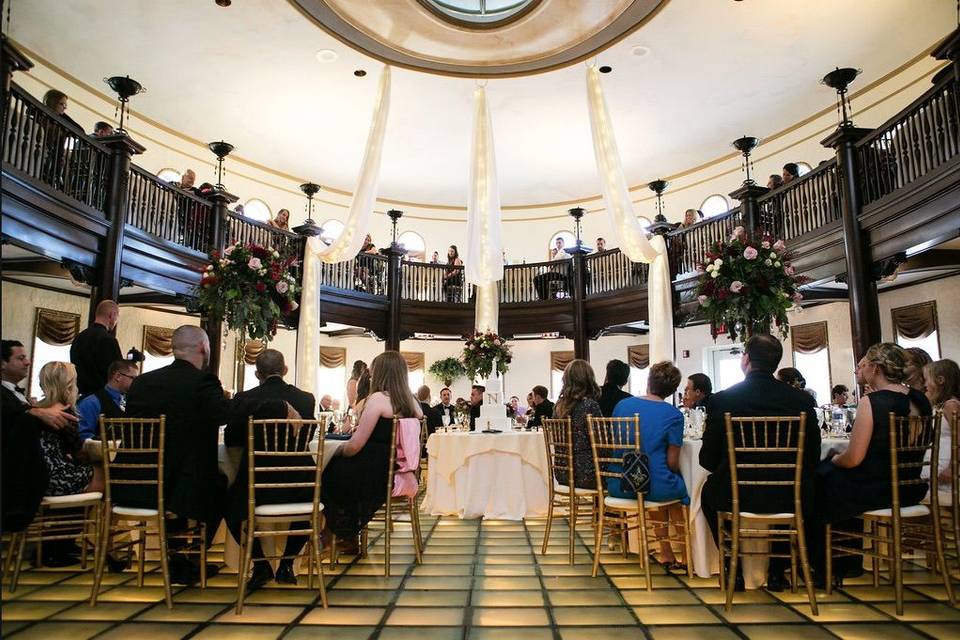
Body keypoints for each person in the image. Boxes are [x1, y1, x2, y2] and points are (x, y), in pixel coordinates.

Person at [700, 334, 820, 592]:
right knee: (806, 486)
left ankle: (733, 563)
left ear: (745, 361)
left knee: (707, 493)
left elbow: (707, 461)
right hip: (789, 495)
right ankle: (778, 570)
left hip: (735, 495)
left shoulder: (722, 401)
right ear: (776, 363)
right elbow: (812, 458)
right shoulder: (801, 401)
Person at [810, 343, 933, 585]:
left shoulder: (873, 402)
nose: (862, 369)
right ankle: (848, 561)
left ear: (876, 369)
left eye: (865, 364)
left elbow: (854, 457)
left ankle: (830, 565)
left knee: (817, 478)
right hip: (911, 486)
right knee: (831, 477)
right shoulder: (920, 399)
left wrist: (833, 458)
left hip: (877, 489)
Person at [121, 325, 232, 584]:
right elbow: (223, 415)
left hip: (134, 484)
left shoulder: (141, 383)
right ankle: (191, 558)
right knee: (222, 486)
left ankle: (178, 558)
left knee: (189, 477)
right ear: (204, 348)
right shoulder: (203, 382)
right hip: (180, 489)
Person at [226, 349, 315, 589]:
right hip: (300, 485)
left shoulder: (244, 399)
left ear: (257, 374)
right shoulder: (306, 399)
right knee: (314, 506)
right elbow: (307, 435)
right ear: (285, 370)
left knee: (229, 508)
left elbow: (231, 440)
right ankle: (287, 563)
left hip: (257, 487)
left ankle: (261, 563)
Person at [321, 351, 422, 552]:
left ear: (380, 373)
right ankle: (346, 535)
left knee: (327, 473)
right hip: (396, 469)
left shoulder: (377, 399)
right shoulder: (412, 402)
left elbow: (355, 446)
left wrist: (336, 449)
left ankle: (335, 535)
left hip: (374, 473)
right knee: (341, 472)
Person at [612, 361, 688, 568]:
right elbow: (672, 462)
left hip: (620, 483)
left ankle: (665, 551)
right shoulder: (673, 414)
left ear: (648, 381)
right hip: (651, 486)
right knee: (674, 489)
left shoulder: (622, 406)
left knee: (655, 480)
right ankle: (686, 553)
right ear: (673, 390)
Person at [1, 341, 56, 536]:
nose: (28, 362)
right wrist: (34, 412)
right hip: (20, 474)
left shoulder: (18, 398)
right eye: (21, 358)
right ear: (3, 363)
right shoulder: (6, 399)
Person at [34, 362, 102, 496]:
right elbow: (77, 452)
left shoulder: (36, 408)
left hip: (34, 473)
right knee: (103, 470)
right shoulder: (64, 411)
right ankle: (87, 513)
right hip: (53, 477)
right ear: (69, 385)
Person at [553, 359, 601, 490]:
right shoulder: (590, 405)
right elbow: (600, 443)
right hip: (587, 473)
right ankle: (605, 509)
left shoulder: (558, 407)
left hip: (562, 472)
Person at [70, 299, 123, 398]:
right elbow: (116, 374)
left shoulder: (79, 338)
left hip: (80, 397)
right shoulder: (108, 340)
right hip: (102, 399)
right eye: (117, 316)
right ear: (112, 314)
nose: (116, 320)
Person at [76, 360, 138, 442]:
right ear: (118, 376)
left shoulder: (132, 401)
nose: (136, 382)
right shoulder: (91, 403)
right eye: (133, 378)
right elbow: (83, 436)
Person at [923, 359, 960, 496]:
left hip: (947, 463)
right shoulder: (939, 405)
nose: (925, 384)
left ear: (940, 380)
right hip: (936, 461)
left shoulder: (951, 405)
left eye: (927, 380)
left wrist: (952, 468)